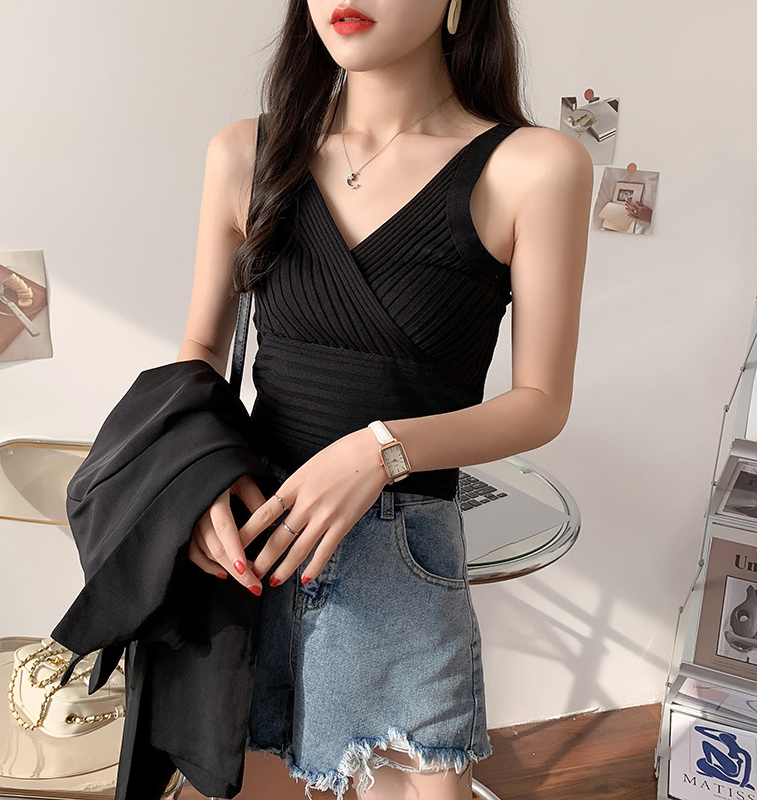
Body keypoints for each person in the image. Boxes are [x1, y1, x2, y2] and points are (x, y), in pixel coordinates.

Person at [177, 0, 593, 797]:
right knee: (235, 780)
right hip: (250, 541)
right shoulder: (246, 153)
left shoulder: (534, 167)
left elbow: (541, 401)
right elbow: (200, 350)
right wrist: (196, 482)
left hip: (401, 563)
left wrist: (380, 451)